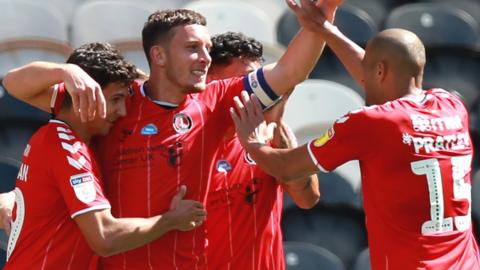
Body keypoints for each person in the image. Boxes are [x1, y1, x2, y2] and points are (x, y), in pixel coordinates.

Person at [2, 1, 340, 268]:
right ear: (158, 55)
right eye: (193, 48)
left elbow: (290, 71)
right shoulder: (119, 101)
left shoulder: (216, 101)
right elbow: (14, 85)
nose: (205, 58)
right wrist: (66, 71)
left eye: (207, 48)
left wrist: (324, 16)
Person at [229, 1, 480, 269]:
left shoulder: (372, 123)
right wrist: (325, 30)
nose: (362, 81)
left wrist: (252, 141)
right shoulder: (452, 107)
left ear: (380, 72)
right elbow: (380, 75)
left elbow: (285, 167)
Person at [0, 42, 206, 270]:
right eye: (116, 100)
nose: (122, 112)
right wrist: (170, 220)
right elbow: (104, 238)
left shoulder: (64, 128)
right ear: (84, 95)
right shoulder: (68, 148)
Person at [206, 32, 319, 269]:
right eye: (246, 81)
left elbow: (308, 198)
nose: (261, 95)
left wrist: (276, 128)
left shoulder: (271, 134)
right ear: (210, 81)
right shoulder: (187, 137)